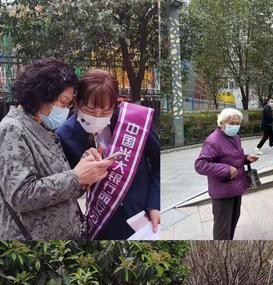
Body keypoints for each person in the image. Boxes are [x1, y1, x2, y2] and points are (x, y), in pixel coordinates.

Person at [0, 58, 112, 240]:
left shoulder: (45, 128)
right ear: (41, 95)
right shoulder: (13, 129)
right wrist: (76, 177)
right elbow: (20, 195)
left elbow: (66, 187)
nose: (65, 110)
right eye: (63, 101)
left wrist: (86, 170)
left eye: (68, 104)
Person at [57, 69, 160, 240]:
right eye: (90, 109)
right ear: (78, 101)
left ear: (115, 104)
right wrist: (82, 176)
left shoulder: (136, 121)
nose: (97, 116)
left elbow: (158, 163)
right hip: (102, 220)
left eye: (105, 111)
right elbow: (67, 185)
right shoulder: (65, 135)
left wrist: (155, 204)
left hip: (143, 214)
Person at [195, 108, 259, 240]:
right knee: (222, 229)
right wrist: (226, 170)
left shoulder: (235, 138)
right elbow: (200, 165)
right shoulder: (213, 141)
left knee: (233, 222)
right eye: (231, 123)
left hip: (236, 188)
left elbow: (233, 157)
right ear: (221, 123)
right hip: (223, 192)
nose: (235, 126)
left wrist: (246, 158)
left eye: (237, 123)